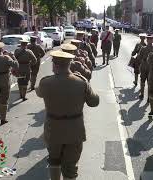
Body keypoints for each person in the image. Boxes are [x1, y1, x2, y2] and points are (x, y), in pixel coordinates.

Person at [36, 50, 99, 180]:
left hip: (53, 130)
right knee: (70, 168)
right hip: (74, 132)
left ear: (54, 64)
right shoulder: (81, 82)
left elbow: (39, 92)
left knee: (54, 161)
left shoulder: (46, 82)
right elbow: (94, 102)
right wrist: (86, 83)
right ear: (70, 64)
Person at [0, 42, 19, 125]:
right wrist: (12, 56)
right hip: (4, 79)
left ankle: (1, 113)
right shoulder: (6, 57)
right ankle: (3, 118)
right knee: (4, 99)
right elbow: (16, 65)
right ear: (2, 49)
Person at [136, 34, 153, 100]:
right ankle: (149, 97)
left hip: (144, 66)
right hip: (151, 68)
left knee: (142, 81)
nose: (149, 40)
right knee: (149, 82)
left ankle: (142, 94)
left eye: (149, 39)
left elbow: (139, 57)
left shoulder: (143, 48)